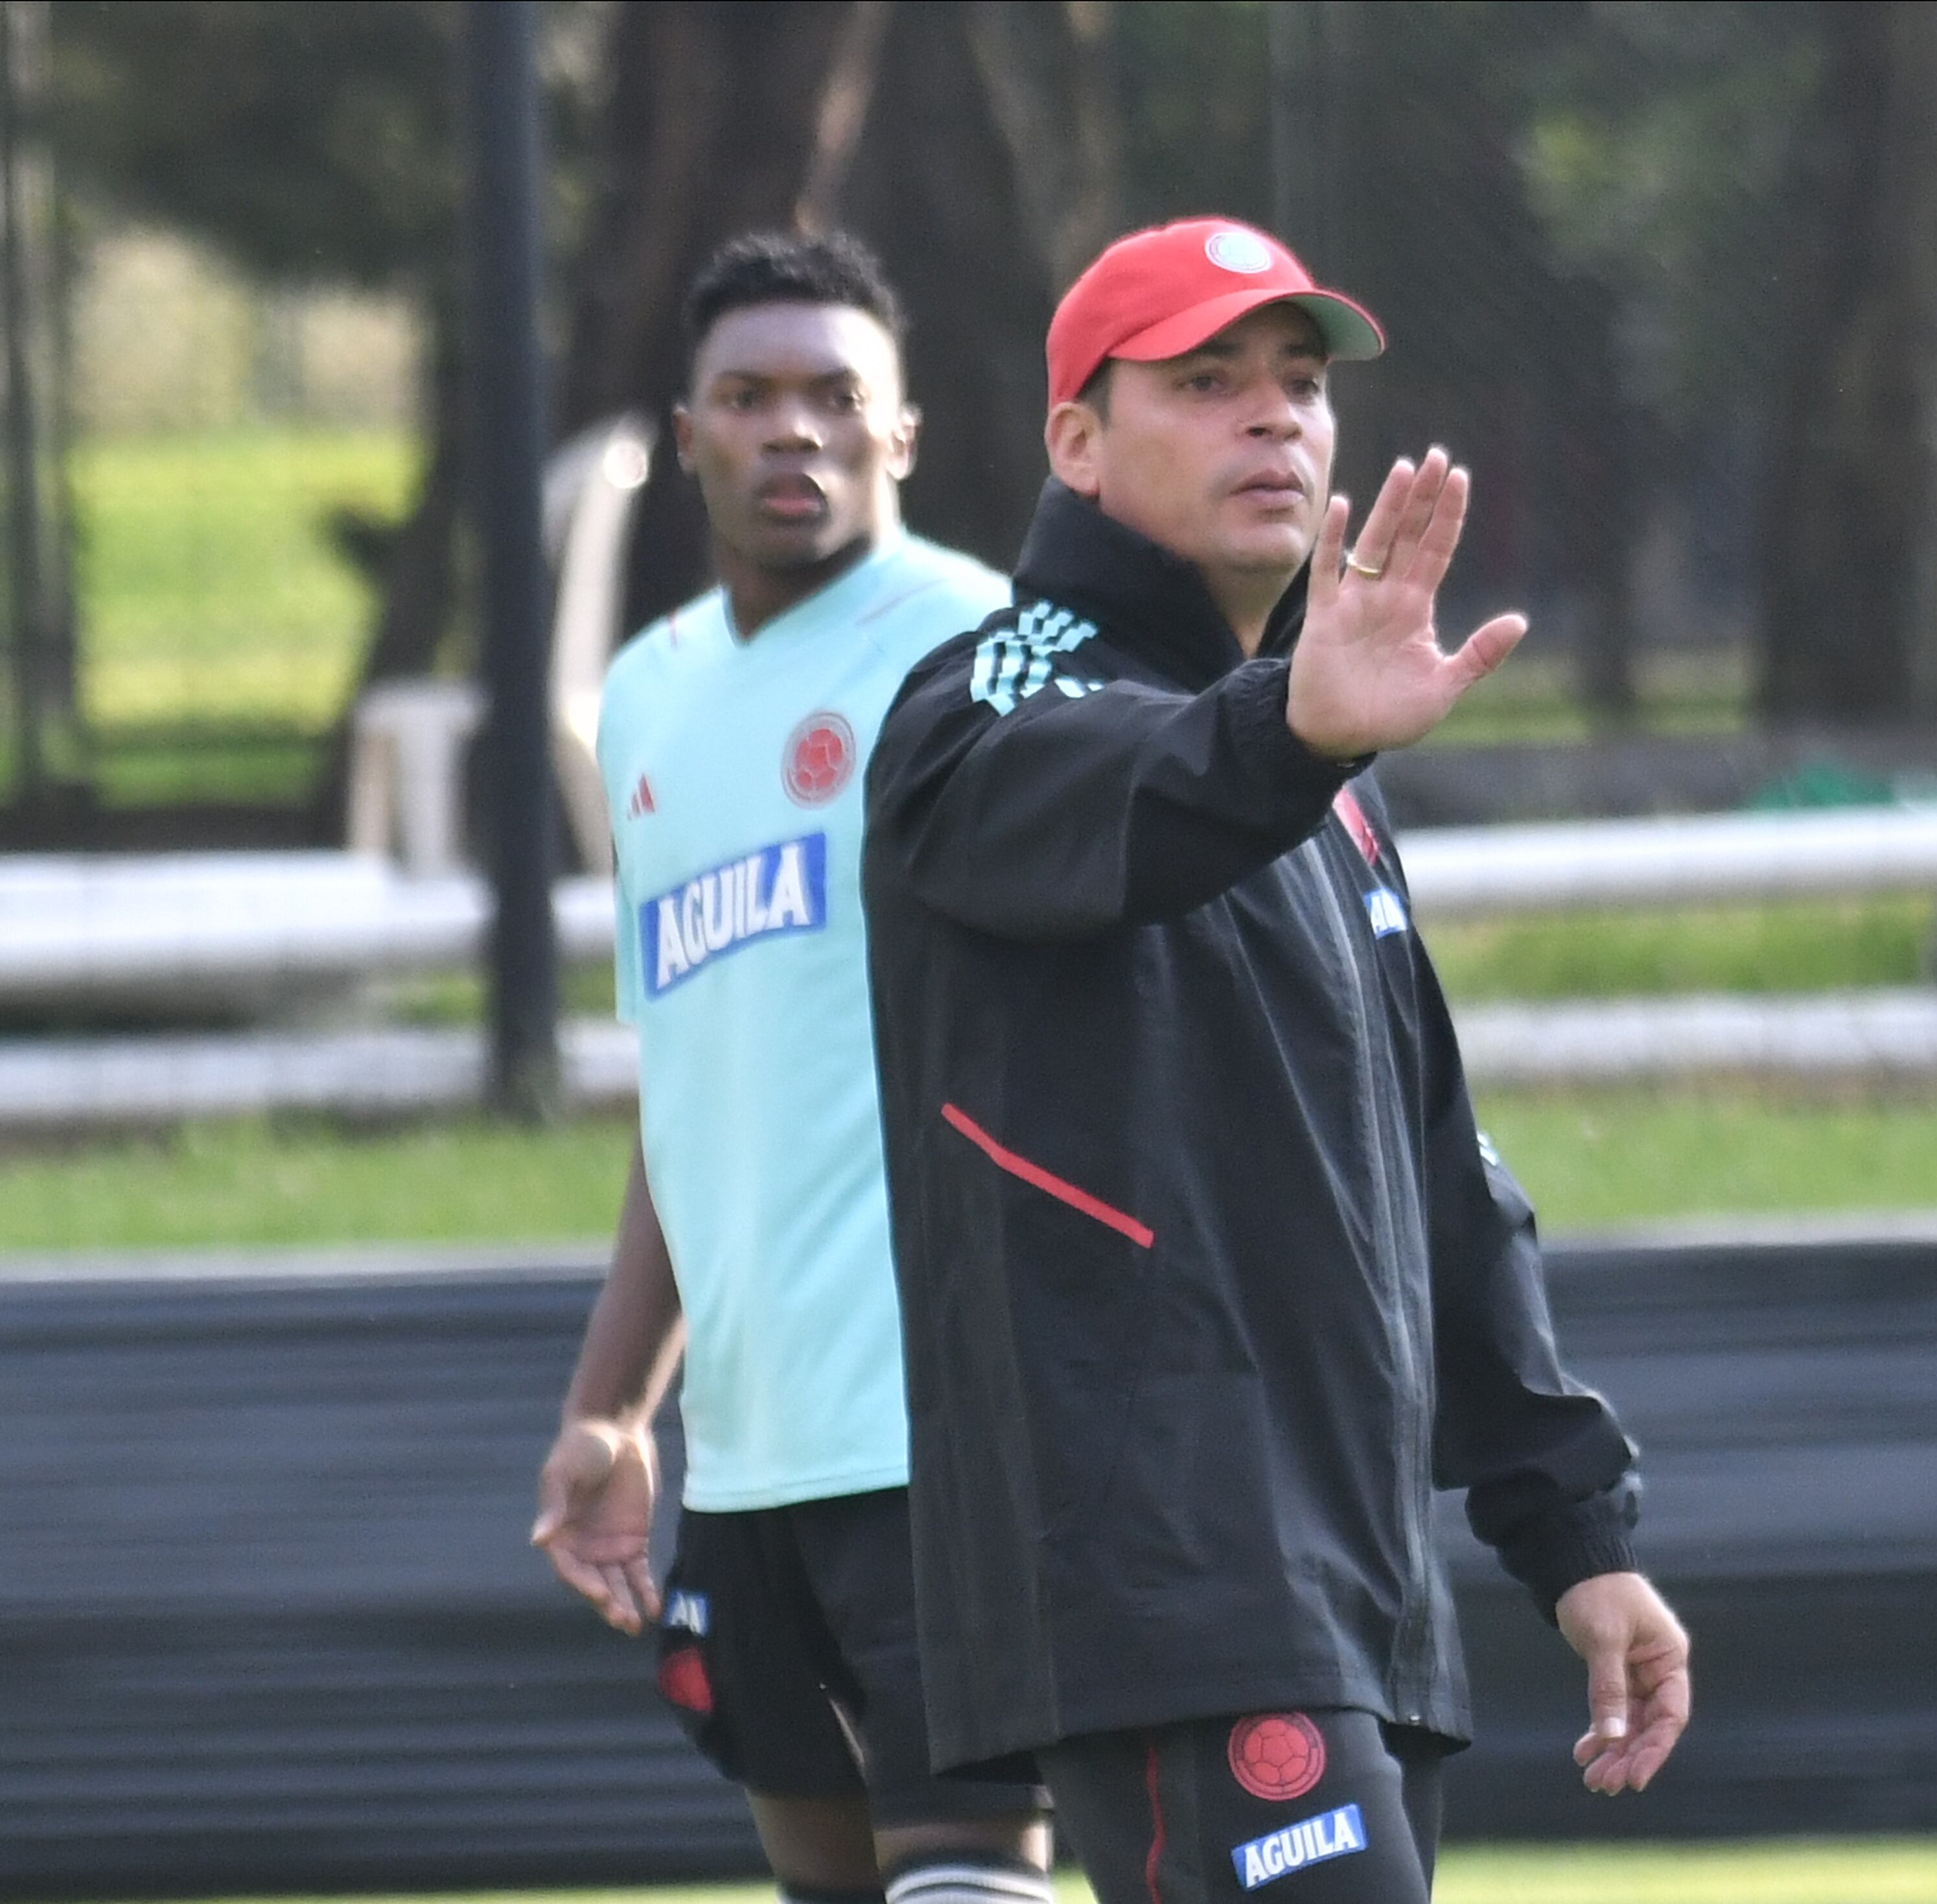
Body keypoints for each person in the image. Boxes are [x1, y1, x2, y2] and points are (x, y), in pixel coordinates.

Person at [861, 218, 1692, 1903]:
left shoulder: (1324, 761)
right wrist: (1293, 734)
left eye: (1302, 385)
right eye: (1209, 381)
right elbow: (1137, 789)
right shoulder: (986, 698)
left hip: (1355, 1588)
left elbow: (1439, 1173)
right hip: (1165, 1573)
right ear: (1076, 443)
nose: (1278, 420)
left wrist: (1575, 1528)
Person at [530, 231, 1052, 1904]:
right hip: (754, 1452)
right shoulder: (650, 693)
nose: (793, 431)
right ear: (687, 436)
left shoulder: (985, 645)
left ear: (903, 433)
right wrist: (616, 1405)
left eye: (837, 396)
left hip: (952, 1437)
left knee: (966, 1871)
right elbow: (687, 1084)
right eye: (747, 397)